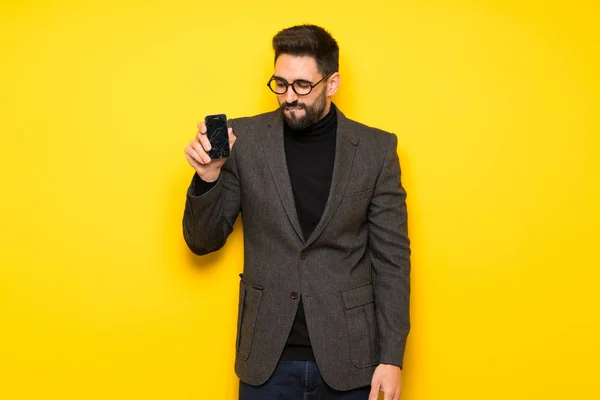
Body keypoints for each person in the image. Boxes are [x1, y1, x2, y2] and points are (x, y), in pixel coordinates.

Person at [183, 24, 410, 400]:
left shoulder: (375, 149)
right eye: (280, 84)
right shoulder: (245, 141)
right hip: (266, 358)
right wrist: (209, 179)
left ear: (332, 83)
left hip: (350, 359)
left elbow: (393, 262)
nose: (289, 97)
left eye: (302, 85)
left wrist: (391, 358)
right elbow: (202, 242)